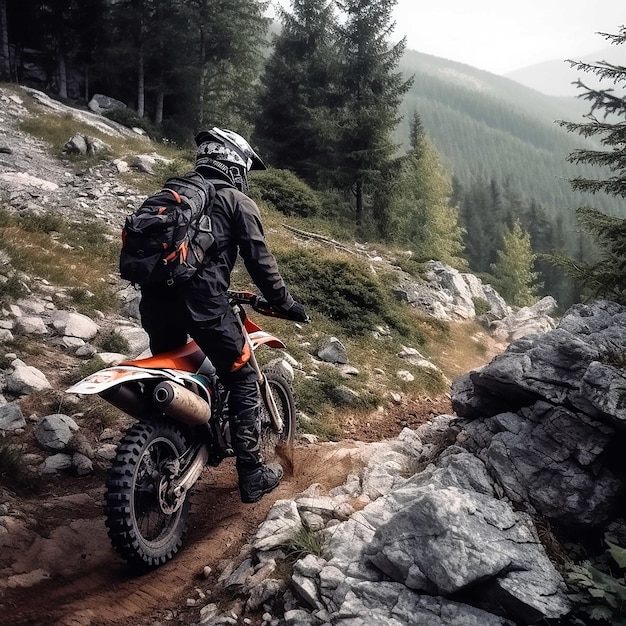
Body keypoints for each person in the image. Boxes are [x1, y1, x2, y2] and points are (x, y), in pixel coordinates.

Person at [138, 127, 309, 503]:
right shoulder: (235, 201)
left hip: (155, 302)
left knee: (178, 371)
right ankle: (252, 474)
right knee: (243, 377)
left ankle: (168, 445)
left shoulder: (175, 194)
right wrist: (285, 303)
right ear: (234, 162)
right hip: (205, 307)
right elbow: (261, 263)